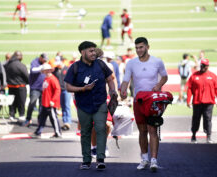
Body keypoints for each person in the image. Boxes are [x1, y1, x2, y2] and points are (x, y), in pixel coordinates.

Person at [64, 41, 117, 170]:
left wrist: (112, 90)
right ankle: (86, 160)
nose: (94, 53)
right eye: (90, 51)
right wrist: (83, 89)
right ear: (83, 52)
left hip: (100, 103)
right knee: (85, 133)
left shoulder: (100, 64)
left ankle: (100, 159)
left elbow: (110, 78)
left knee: (101, 129)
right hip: (83, 105)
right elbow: (68, 87)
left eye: (94, 50)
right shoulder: (74, 67)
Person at [120, 37, 168, 172]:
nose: (138, 50)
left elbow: (164, 76)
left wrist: (158, 85)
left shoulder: (157, 61)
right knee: (142, 131)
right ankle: (144, 158)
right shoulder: (131, 63)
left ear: (147, 47)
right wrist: (123, 90)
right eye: (136, 48)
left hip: (153, 101)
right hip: (138, 101)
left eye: (141, 47)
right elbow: (126, 79)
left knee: (152, 130)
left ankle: (154, 160)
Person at [186, 58, 217, 144]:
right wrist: (188, 100)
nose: (203, 67)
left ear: (208, 66)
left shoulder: (212, 76)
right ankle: (193, 136)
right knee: (196, 119)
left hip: (209, 102)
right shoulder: (194, 76)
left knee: (208, 119)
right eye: (202, 65)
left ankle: (208, 137)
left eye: (205, 65)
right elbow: (189, 89)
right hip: (197, 102)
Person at [33, 63, 62, 138]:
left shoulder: (53, 79)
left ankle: (58, 132)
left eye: (45, 70)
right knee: (42, 118)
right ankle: (38, 131)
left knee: (53, 118)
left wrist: (53, 100)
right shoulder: (46, 78)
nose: (44, 72)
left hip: (50, 103)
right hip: (45, 102)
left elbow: (57, 90)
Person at [22, 53, 48, 127]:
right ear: (40, 58)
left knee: (41, 105)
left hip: (43, 87)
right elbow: (33, 70)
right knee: (32, 103)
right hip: (35, 87)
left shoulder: (44, 63)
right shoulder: (35, 62)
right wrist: (42, 67)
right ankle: (28, 119)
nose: (45, 61)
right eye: (44, 60)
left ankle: (40, 120)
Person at [4, 51, 29, 121]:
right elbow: (26, 76)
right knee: (21, 102)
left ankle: (11, 115)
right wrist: (27, 82)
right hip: (20, 86)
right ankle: (21, 115)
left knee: (11, 102)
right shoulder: (21, 65)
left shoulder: (7, 65)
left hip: (10, 86)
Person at [52, 57, 72, 131]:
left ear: (62, 61)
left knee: (67, 106)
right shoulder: (55, 70)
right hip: (59, 91)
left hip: (66, 90)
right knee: (62, 106)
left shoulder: (67, 69)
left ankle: (68, 122)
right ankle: (64, 121)